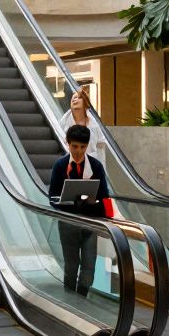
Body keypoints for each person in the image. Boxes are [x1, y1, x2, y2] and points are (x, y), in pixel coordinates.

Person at [47, 125, 108, 297]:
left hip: (90, 223)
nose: (79, 151)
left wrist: (92, 204)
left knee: (89, 268)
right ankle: (70, 300)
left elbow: (104, 197)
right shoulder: (60, 166)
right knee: (71, 266)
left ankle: (81, 297)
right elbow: (52, 197)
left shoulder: (95, 166)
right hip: (68, 223)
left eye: (83, 147)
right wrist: (70, 201)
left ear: (87, 145)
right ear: (68, 144)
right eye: (75, 146)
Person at [59, 86, 105, 162]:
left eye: (78, 97)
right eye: (73, 98)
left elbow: (100, 148)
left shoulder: (93, 125)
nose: (74, 99)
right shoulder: (65, 122)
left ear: (85, 102)